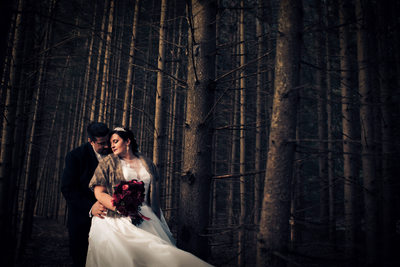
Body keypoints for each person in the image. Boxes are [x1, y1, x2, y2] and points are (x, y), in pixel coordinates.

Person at [86, 127, 213, 267]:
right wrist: (120, 207)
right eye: (111, 143)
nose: (112, 145)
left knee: (160, 252)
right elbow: (99, 193)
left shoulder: (147, 162)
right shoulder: (107, 162)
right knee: (129, 254)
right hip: (114, 217)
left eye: (116, 141)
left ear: (127, 141)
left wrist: (159, 219)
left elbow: (154, 197)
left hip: (146, 215)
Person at [61, 122, 111, 267]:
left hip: (109, 220)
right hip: (81, 219)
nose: (107, 146)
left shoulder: (114, 153)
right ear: (91, 141)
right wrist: (91, 207)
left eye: (107, 141)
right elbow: (67, 189)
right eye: (102, 143)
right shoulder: (75, 156)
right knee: (81, 259)